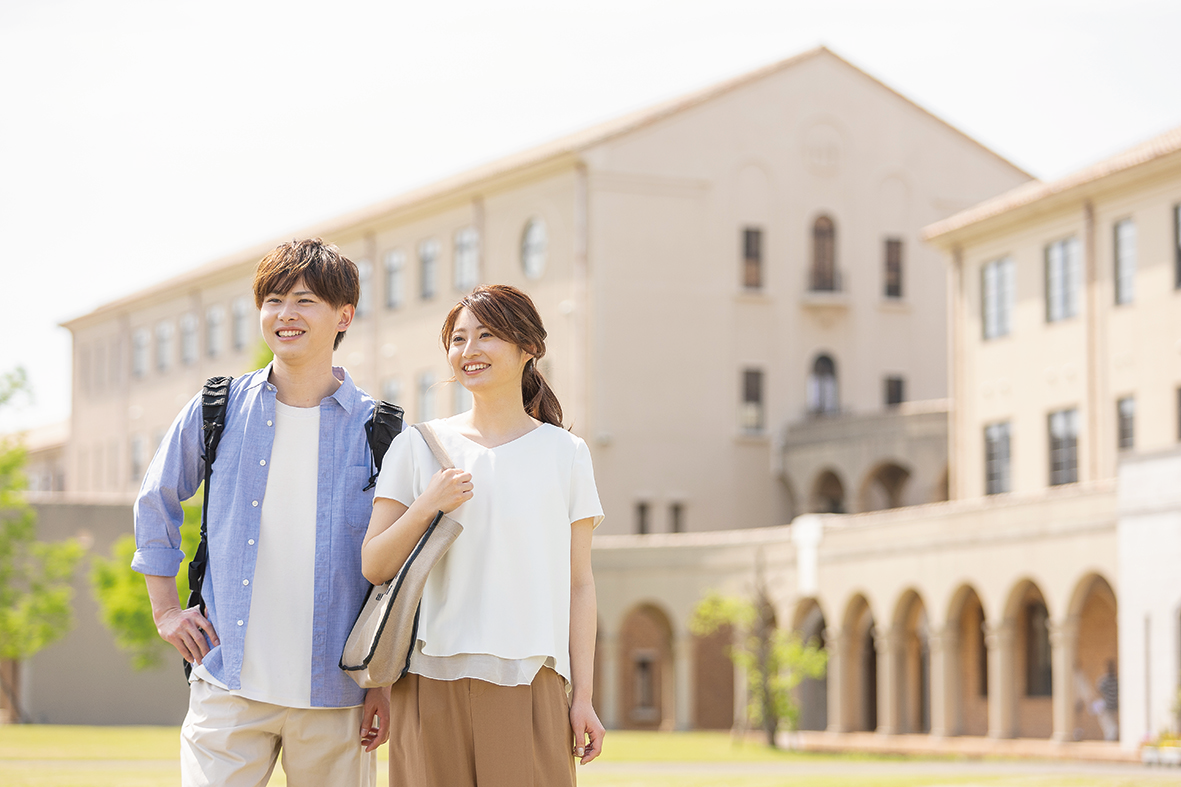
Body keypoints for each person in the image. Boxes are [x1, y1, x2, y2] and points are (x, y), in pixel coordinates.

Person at [132, 238, 390, 787]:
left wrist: (384, 682)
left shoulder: (382, 430)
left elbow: (401, 569)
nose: (284, 314)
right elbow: (156, 497)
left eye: (304, 300)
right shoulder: (217, 407)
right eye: (272, 300)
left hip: (337, 699)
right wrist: (164, 611)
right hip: (228, 685)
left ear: (344, 315)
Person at [362, 284, 604, 787]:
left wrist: (583, 697)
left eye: (487, 335)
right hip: (428, 681)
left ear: (529, 348)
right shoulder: (417, 446)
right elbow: (375, 564)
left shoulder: (567, 454)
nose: (469, 351)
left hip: (531, 682)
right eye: (458, 339)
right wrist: (427, 504)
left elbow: (580, 584)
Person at [1097, 660, 1119, 741]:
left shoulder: (1105, 680)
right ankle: (1110, 738)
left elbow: (1099, 690)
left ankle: (1110, 739)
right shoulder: (1115, 680)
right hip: (1112, 705)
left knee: (1110, 726)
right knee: (1110, 725)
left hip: (1109, 705)